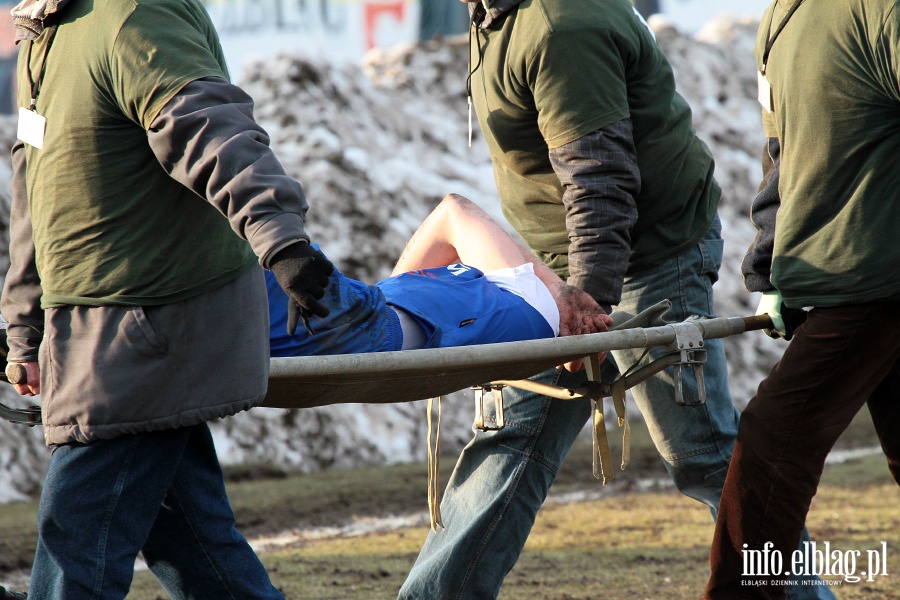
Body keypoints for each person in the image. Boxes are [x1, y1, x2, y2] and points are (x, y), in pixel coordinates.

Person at [398, 1, 832, 598]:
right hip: (560, 266)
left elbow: (600, 177)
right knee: (511, 440)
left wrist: (587, 307)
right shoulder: (494, 13)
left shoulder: (558, 25)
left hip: (648, 253)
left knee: (701, 449)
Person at [3, 0, 336, 597]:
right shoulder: (39, 36)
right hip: (93, 332)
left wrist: (281, 237)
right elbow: (36, 198)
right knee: (198, 551)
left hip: (146, 331)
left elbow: (210, 127)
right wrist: (26, 327)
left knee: (73, 544)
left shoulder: (134, 14)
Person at [704, 0, 900, 597]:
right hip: (841, 274)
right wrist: (770, 267)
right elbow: (782, 154)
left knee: (773, 441)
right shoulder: (781, 17)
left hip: (875, 277)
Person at [267, 194, 613, 357]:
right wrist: (562, 290)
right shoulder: (521, 293)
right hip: (371, 316)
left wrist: (560, 290)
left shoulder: (517, 293)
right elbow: (454, 211)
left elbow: (454, 213)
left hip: (368, 317)